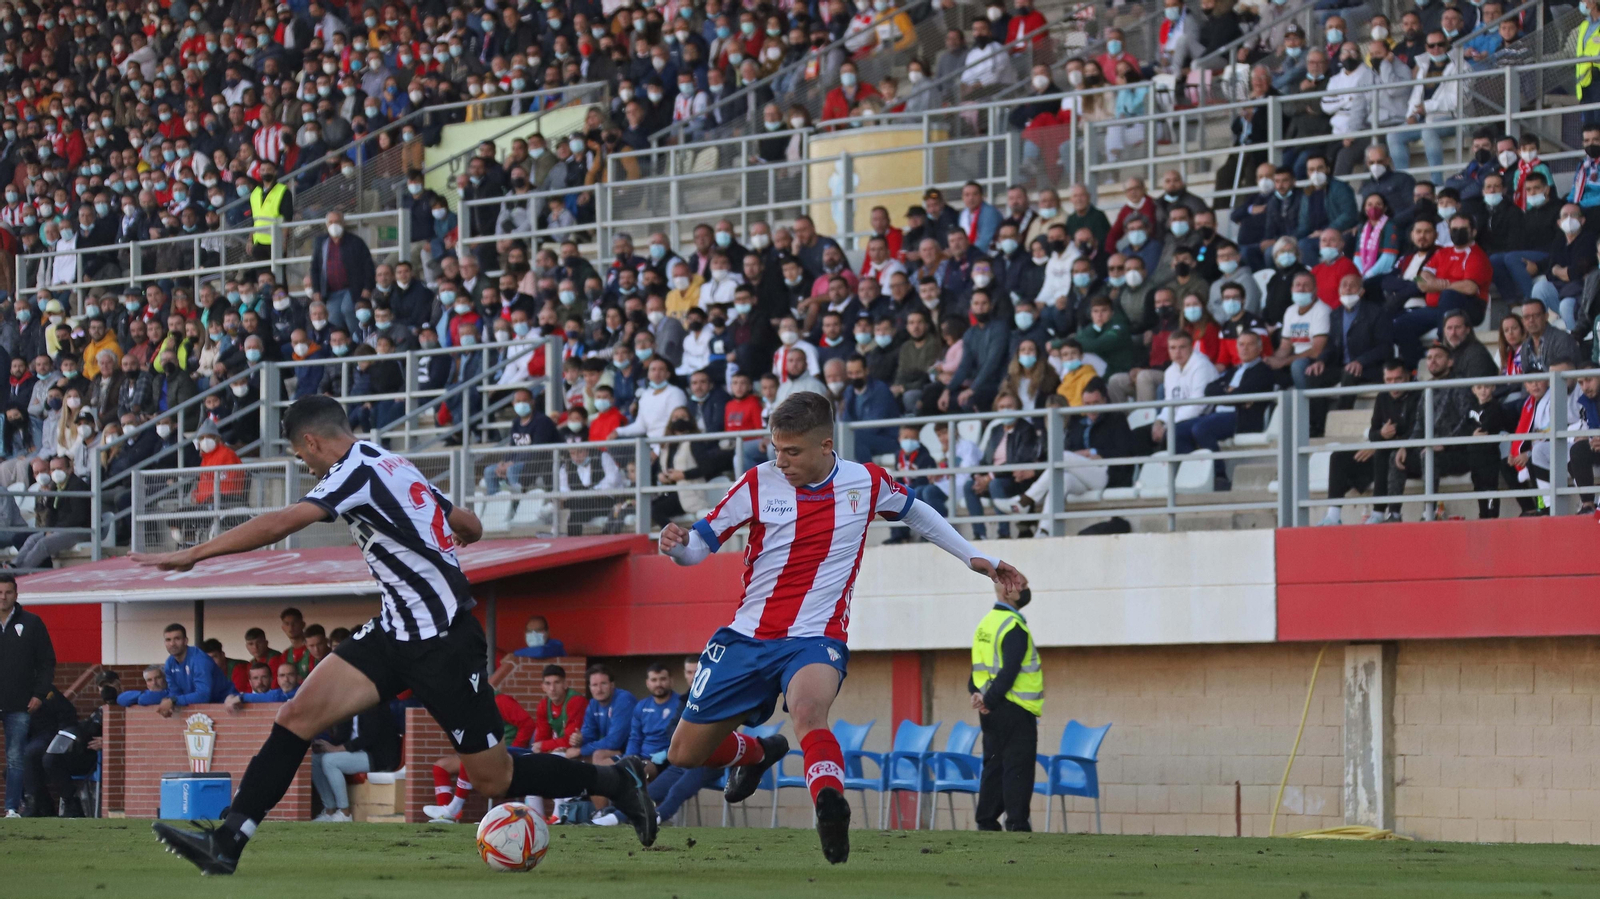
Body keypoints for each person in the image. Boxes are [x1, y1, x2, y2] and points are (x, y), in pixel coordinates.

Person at [135, 396, 658, 875]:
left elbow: (281, 523)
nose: (306, 467)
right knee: (296, 716)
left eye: (301, 456)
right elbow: (467, 524)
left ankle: (615, 782)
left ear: (312, 442)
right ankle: (228, 841)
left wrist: (193, 554)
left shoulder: (352, 470)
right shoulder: (392, 462)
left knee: (493, 779)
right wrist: (454, 536)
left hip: (443, 642)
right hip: (394, 630)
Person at [659, 392, 1026, 863]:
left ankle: (829, 806)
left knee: (809, 712)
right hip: (747, 637)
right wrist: (678, 546)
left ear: (825, 445)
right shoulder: (757, 483)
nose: (781, 460)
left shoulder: (865, 481)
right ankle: (754, 753)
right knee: (684, 754)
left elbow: (916, 510)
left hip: (816, 636)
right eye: (776, 449)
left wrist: (975, 556)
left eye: (792, 451)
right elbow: (699, 547)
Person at [969, 582, 1040, 832]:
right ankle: (1017, 825)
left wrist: (978, 696)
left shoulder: (985, 624)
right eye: (1021, 581)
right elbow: (1009, 672)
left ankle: (986, 822)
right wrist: (988, 699)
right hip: (1016, 708)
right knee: (1017, 767)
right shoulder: (1014, 626)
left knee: (994, 765)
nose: (1024, 585)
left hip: (991, 710)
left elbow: (976, 671)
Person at [1320, 360, 1418, 525]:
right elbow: (1373, 432)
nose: (1393, 385)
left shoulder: (1418, 395)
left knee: (1380, 452)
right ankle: (1333, 515)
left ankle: (1378, 513)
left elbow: (1417, 431)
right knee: (1338, 457)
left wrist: (1385, 441)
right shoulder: (1382, 397)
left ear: (1408, 377)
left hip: (1405, 455)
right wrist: (1381, 434)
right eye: (1389, 380)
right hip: (1382, 450)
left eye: (1398, 379)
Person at [592, 663, 684, 827]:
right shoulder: (641, 706)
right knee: (601, 768)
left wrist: (664, 753)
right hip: (639, 756)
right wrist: (630, 758)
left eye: (662, 679)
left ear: (671, 680)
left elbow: (682, 738)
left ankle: (639, 817)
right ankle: (602, 814)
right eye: (654, 680)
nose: (658, 684)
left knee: (640, 770)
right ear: (647, 683)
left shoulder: (680, 704)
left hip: (663, 760)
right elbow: (635, 737)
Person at [1, 575, 55, 819]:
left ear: (16, 594)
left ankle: (12, 808)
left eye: (8, 592)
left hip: (20, 703)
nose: (3, 597)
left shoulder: (32, 623)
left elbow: (46, 662)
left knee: (15, 757)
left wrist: (39, 694)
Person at [309, 703, 401, 823]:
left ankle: (345, 813)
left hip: (378, 756)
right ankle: (330, 809)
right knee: (315, 759)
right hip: (356, 753)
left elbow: (369, 738)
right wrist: (324, 746)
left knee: (329, 761)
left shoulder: (374, 705)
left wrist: (337, 749)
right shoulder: (348, 707)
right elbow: (341, 737)